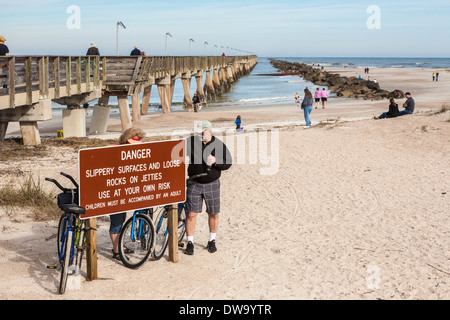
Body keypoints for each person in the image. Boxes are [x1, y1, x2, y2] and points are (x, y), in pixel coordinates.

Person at [185, 120, 232, 255]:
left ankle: (211, 241)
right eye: (197, 131)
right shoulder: (191, 142)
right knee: (191, 214)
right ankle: (190, 242)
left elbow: (228, 163)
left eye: (202, 132)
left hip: (212, 184)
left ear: (210, 131)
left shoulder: (218, 145)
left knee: (213, 213)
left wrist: (216, 161)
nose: (199, 134)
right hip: (194, 183)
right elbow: (176, 153)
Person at [109, 127, 145, 260]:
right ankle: (117, 251)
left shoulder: (135, 152)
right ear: (125, 141)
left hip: (128, 191)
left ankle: (119, 246)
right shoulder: (114, 151)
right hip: (115, 192)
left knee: (122, 219)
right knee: (117, 221)